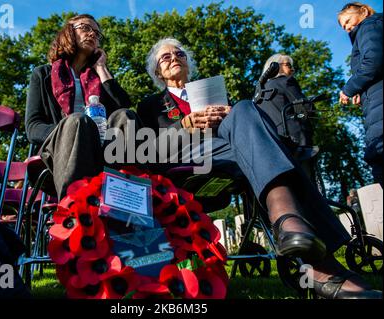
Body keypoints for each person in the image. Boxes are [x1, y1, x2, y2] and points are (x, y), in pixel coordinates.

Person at [137, 37, 381, 299]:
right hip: (188, 160)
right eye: (166, 57)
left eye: (180, 54)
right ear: (157, 73)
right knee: (273, 153)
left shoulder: (209, 91)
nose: (175, 58)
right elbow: (151, 150)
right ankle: (316, 258)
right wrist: (185, 125)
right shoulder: (150, 105)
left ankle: (290, 226)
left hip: (228, 151)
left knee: (243, 108)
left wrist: (229, 115)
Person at [25, 14, 135, 199]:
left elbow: (123, 108)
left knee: (126, 116)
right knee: (78, 121)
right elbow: (33, 127)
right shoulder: (42, 74)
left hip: (102, 150)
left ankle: (127, 204)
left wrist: (101, 68)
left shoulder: (98, 78)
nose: (92, 34)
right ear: (68, 33)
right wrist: (74, 132)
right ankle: (74, 208)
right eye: (85, 28)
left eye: (97, 33)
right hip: (58, 153)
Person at [337, 2, 383, 186]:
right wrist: (361, 89)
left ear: (363, 11)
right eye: (343, 26)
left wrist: (349, 89)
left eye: (347, 21)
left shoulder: (369, 25)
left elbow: (374, 61)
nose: (347, 27)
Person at [255, 54, 314, 149]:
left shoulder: (259, 93)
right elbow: (303, 109)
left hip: (270, 142)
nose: (292, 70)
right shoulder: (286, 82)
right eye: (289, 65)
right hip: (295, 140)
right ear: (276, 66)